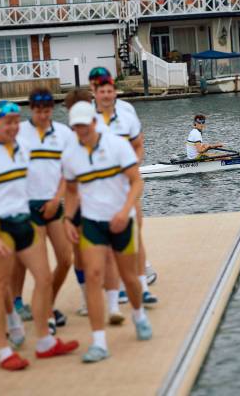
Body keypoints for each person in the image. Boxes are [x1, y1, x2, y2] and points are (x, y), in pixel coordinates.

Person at [0, 101, 78, 370]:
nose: (13, 127)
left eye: (17, 122)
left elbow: (51, 171)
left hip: (24, 223)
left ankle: (44, 342)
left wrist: (59, 198)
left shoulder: (23, 149)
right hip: (0, 227)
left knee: (43, 279)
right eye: (8, 122)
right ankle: (4, 352)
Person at [62, 101, 152, 363]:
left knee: (130, 277)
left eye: (84, 124)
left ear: (93, 122)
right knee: (93, 276)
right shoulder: (70, 155)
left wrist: (124, 212)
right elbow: (70, 191)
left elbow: (137, 182)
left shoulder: (118, 146)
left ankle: (139, 315)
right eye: (76, 126)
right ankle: (99, 342)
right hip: (92, 222)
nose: (81, 130)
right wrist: (68, 219)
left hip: (121, 219)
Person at [89, 67, 158, 314]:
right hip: (99, 187)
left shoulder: (127, 112)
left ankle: (143, 288)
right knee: (107, 241)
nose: (106, 94)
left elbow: (138, 147)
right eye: (100, 88)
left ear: (113, 91)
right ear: (93, 89)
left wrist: (132, 166)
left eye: (109, 89)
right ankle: (115, 289)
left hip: (126, 184)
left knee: (135, 232)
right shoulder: (86, 116)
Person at [11, 88, 74, 334]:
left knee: (65, 260)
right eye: (38, 111)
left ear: (52, 109)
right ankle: (40, 312)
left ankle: (47, 303)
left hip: (53, 204)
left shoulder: (64, 133)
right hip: (27, 207)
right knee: (39, 267)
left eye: (47, 110)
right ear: (31, 109)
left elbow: (67, 173)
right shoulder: (19, 133)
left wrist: (56, 200)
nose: (43, 115)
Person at [63, 88, 94, 317]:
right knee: (79, 254)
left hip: (99, 200)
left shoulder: (101, 132)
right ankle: (87, 297)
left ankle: (114, 292)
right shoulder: (65, 137)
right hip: (75, 200)